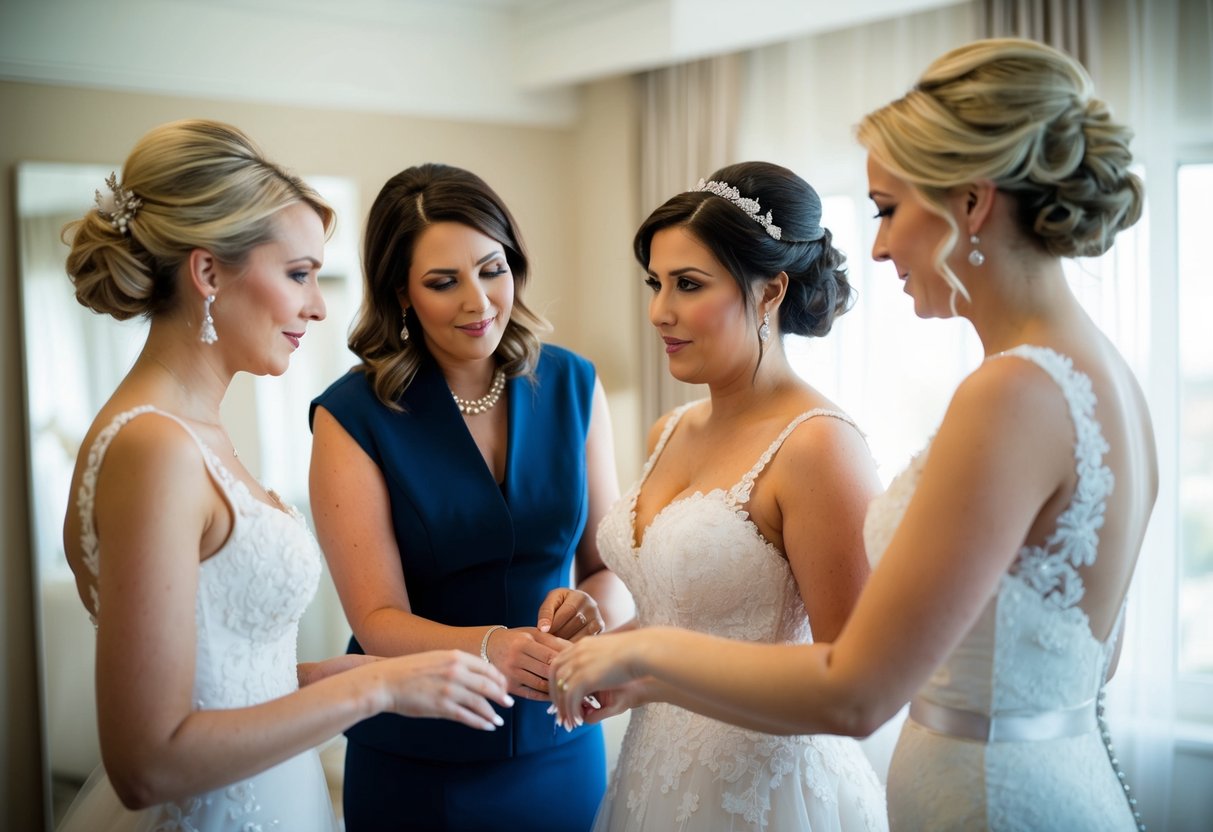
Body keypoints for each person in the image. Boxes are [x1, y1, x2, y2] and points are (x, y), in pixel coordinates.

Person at [550, 38, 1155, 832]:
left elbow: (859, 691)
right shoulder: (1098, 375)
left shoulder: (1012, 391)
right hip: (1040, 774)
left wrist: (644, 653)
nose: (875, 246)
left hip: (993, 803)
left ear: (970, 203)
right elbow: (1092, 654)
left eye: (887, 210)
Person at [55, 120, 512, 832]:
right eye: (299, 274)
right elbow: (148, 763)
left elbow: (218, 684)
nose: (318, 305)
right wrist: (381, 686)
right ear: (208, 273)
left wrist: (335, 677)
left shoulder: (188, 434)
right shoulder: (154, 447)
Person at [308, 162, 632, 832]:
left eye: (491, 269)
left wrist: (589, 610)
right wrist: (490, 647)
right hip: (421, 755)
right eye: (442, 282)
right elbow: (375, 617)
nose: (478, 302)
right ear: (401, 292)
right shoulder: (353, 415)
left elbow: (609, 568)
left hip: (561, 739)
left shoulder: (574, 384)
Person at [581, 160, 888, 831]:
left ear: (771, 291)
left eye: (688, 285)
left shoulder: (817, 446)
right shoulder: (670, 431)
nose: (660, 311)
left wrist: (646, 661)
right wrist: (604, 655)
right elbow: (685, 620)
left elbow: (853, 680)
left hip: (767, 794)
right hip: (652, 775)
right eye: (655, 284)